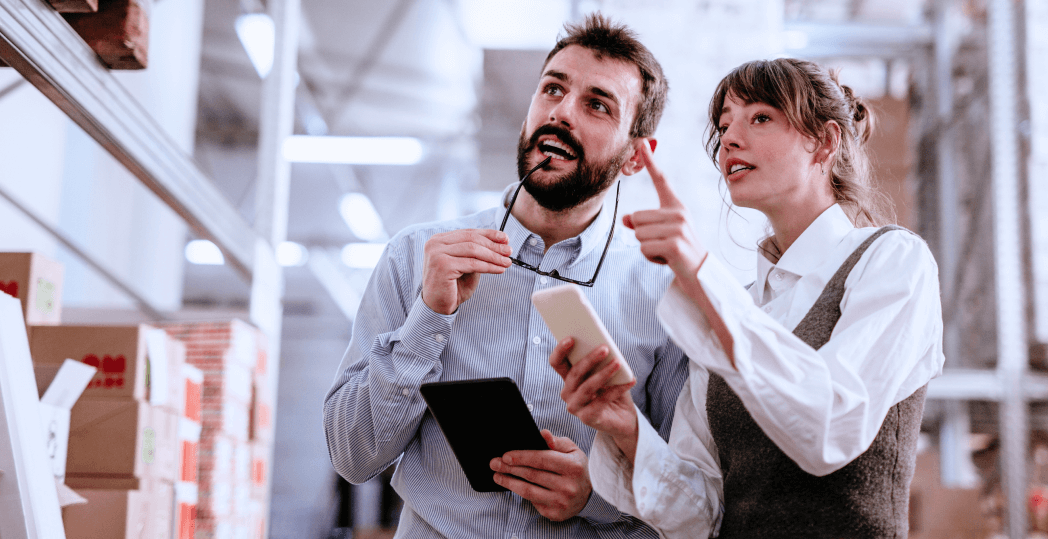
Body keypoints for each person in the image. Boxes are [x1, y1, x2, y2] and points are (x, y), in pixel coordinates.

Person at [323, 14, 689, 538]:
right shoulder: (415, 257)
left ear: (635, 156)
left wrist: (599, 495)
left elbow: (694, 493)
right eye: (552, 89)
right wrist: (428, 317)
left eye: (597, 105)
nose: (562, 113)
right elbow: (351, 455)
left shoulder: (664, 292)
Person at [554, 57, 945, 538]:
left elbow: (831, 427)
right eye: (723, 126)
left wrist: (702, 276)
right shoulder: (734, 306)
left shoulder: (892, 260)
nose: (730, 140)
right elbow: (703, 516)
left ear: (824, 141)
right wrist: (627, 429)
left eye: (759, 117)